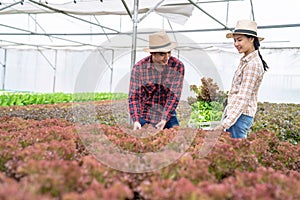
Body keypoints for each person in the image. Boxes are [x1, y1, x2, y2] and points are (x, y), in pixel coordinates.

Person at [214, 19, 269, 138]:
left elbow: (243, 97)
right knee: (234, 153)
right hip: (237, 116)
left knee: (238, 154)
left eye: (239, 40)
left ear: (251, 39)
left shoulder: (252, 64)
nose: (236, 44)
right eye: (234, 40)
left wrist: (225, 124)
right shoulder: (246, 60)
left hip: (240, 117)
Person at [128, 30, 185, 130]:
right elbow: (134, 97)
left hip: (167, 113)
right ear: (152, 53)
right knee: (143, 142)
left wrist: (164, 119)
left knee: (176, 139)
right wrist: (136, 120)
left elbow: (174, 96)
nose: (167, 58)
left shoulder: (177, 66)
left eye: (169, 53)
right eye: (162, 54)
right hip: (145, 114)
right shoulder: (139, 68)